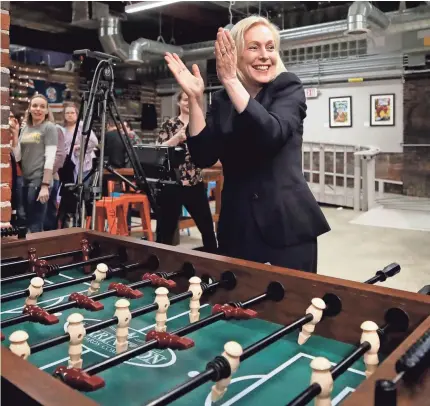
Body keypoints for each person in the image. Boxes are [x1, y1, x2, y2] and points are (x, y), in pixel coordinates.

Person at [164, 16, 330, 273]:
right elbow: (203, 155)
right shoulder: (222, 100)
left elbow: (271, 133)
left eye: (270, 47)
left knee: (290, 308)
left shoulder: (288, 87)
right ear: (236, 54)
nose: (264, 55)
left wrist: (229, 80)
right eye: (254, 47)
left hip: (285, 227)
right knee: (237, 305)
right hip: (237, 227)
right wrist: (196, 100)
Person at [155, 90, 218, 253]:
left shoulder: (201, 125)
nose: (187, 102)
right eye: (184, 99)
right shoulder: (169, 124)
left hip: (194, 182)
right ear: (178, 103)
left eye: (191, 99)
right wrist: (176, 138)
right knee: (165, 232)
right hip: (172, 184)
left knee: (207, 228)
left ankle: (213, 264)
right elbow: (158, 150)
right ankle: (160, 265)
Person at [11, 94, 58, 233]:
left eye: (42, 106)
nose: (38, 109)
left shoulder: (49, 127)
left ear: (47, 110)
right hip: (24, 179)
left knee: (35, 223)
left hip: (40, 180)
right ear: (29, 108)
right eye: (35, 106)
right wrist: (14, 135)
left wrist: (45, 185)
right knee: (24, 219)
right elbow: (18, 156)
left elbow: (50, 157)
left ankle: (36, 254)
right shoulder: (25, 128)